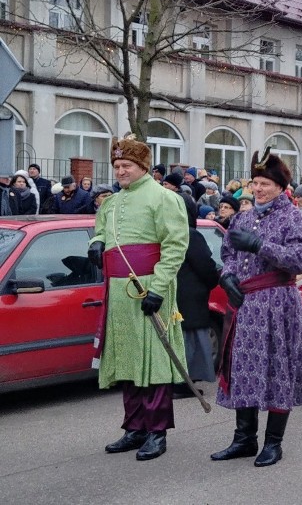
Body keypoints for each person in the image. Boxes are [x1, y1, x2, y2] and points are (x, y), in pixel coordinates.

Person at [211, 148, 302, 468]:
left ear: (281, 187)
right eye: (255, 183)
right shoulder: (242, 217)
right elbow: (228, 253)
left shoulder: (295, 219)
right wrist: (228, 275)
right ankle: (244, 439)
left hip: (277, 305)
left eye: (265, 184)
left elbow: (301, 260)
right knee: (244, 370)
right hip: (244, 305)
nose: (258, 189)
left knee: (277, 372)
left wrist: (260, 246)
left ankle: (274, 443)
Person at [88, 135, 189, 461]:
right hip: (119, 293)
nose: (120, 171)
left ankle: (156, 432)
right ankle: (134, 428)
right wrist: (96, 243)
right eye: (116, 165)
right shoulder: (111, 203)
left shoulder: (163, 198)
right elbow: (103, 230)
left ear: (143, 166)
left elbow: (175, 245)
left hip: (149, 289)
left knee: (154, 361)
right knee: (128, 360)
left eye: (126, 165)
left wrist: (159, 288)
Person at [174, 197, 219, 398]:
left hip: (175, 296)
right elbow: (206, 266)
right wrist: (213, 280)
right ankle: (183, 384)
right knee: (190, 344)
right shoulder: (190, 235)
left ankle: (178, 382)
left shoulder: (166, 232)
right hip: (190, 298)